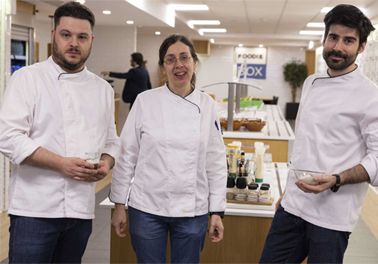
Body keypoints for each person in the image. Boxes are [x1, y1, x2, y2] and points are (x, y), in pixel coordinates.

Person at [259, 4, 378, 264]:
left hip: (332, 218)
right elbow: (305, 144)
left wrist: (336, 179)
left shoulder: (373, 97)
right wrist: (288, 193)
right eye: (333, 37)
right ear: (324, 39)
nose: (338, 47)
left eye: (349, 40)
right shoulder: (311, 82)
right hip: (293, 207)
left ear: (362, 46)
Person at [0, 2, 120, 263]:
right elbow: (8, 137)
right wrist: (61, 164)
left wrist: (106, 164)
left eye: (82, 37)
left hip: (80, 210)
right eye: (66, 35)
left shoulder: (102, 89)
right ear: (54, 35)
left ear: (91, 40)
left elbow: (112, 140)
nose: (74, 43)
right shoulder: (28, 79)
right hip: (35, 210)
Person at [109, 34, 226, 263]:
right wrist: (119, 205)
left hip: (193, 210)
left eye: (184, 57)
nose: (178, 65)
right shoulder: (145, 101)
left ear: (194, 62)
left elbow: (216, 162)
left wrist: (217, 212)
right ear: (163, 67)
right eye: (170, 59)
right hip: (147, 208)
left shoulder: (207, 105)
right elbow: (126, 156)